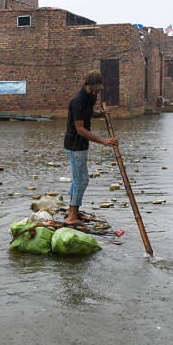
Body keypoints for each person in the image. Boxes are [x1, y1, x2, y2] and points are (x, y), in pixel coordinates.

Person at [64, 71, 118, 228]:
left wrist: (100, 113)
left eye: (97, 90)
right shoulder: (78, 101)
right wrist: (103, 141)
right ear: (84, 85)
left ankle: (70, 210)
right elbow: (80, 128)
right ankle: (72, 217)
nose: (94, 93)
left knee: (77, 178)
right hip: (75, 145)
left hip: (80, 144)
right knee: (82, 180)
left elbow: (87, 113)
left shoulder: (91, 96)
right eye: (91, 90)